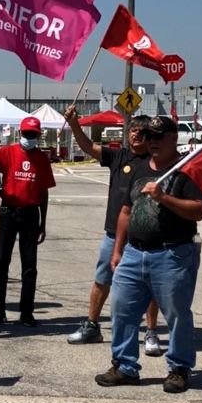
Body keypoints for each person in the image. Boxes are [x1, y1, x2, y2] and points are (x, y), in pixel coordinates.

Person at [94, 116, 202, 394]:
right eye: (148, 136)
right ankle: (124, 365)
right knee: (122, 310)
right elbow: (125, 211)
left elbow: (198, 210)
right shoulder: (139, 168)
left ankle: (179, 368)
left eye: (158, 136)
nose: (151, 141)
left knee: (177, 313)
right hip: (134, 253)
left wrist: (164, 197)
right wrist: (118, 250)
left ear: (172, 138)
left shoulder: (185, 171)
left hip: (172, 254)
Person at [64, 109, 164, 355]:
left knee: (150, 287)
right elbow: (88, 147)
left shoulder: (155, 163)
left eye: (142, 132)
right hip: (112, 234)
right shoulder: (118, 157)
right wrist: (74, 123)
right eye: (133, 131)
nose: (136, 135)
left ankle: (151, 333)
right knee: (102, 280)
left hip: (145, 237)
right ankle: (92, 326)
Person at [0, 116, 55, 328]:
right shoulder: (7, 153)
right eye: (26, 134)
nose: (29, 138)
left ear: (38, 135)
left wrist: (43, 222)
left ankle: (26, 312)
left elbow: (43, 193)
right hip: (8, 212)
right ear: (20, 133)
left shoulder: (42, 159)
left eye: (33, 134)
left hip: (30, 214)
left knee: (29, 266)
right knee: (1, 263)